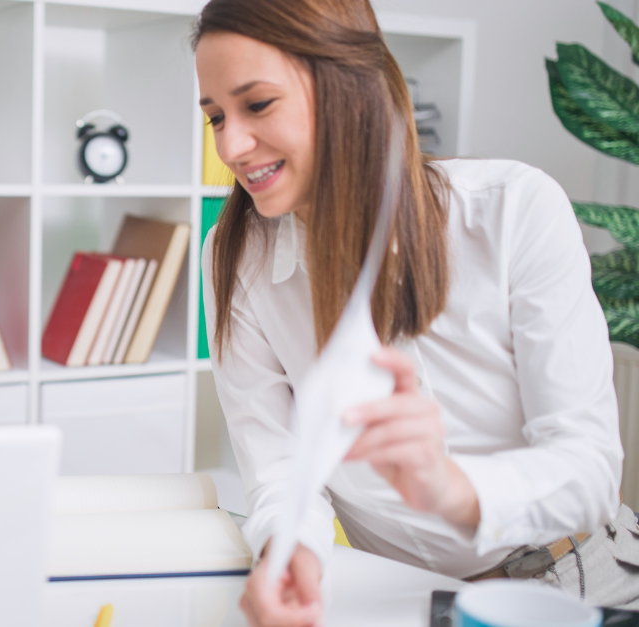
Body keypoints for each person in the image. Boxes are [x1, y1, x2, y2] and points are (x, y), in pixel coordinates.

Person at [195, 0, 638, 624]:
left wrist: (452, 489)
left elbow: (590, 475)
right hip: (408, 596)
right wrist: (290, 553)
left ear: (351, 89)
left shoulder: (513, 209)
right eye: (215, 117)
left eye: (258, 105)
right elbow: (278, 472)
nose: (231, 145)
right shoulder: (235, 256)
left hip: (579, 582)